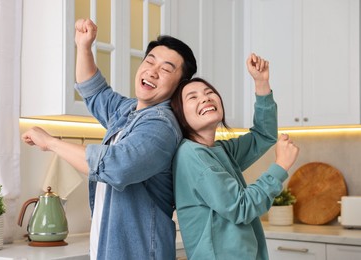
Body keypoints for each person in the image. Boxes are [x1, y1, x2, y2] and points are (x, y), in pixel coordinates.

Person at [22, 19, 197, 259]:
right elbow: (94, 91)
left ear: (180, 86)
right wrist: (84, 46)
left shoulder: (161, 126)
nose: (152, 71)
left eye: (166, 69)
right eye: (149, 61)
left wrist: (51, 142)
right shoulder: (129, 111)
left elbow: (115, 166)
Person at [170, 54, 299, 260]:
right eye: (192, 97)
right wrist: (280, 166)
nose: (205, 98)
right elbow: (241, 208)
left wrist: (261, 82)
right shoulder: (192, 155)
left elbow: (263, 135)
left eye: (209, 92)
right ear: (179, 115)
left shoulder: (218, 151)